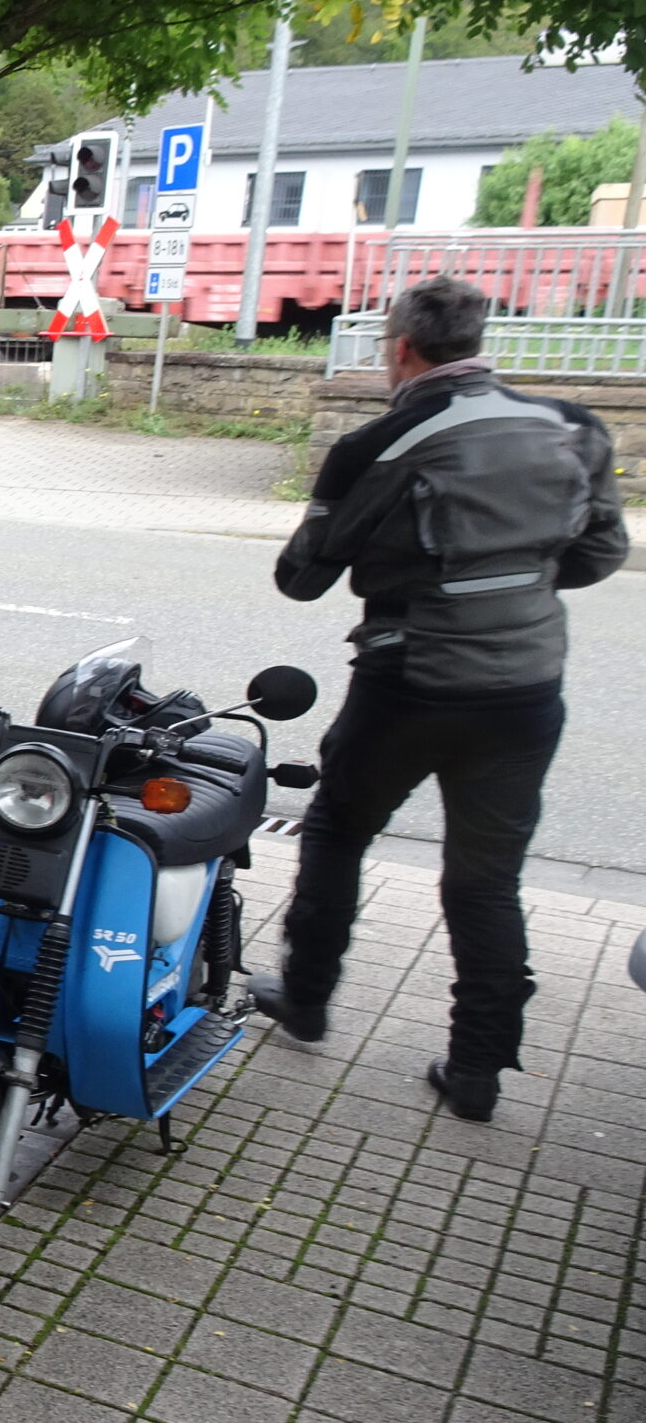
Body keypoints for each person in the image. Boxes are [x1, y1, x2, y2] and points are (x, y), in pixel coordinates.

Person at [254, 275, 628, 1121]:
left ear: (402, 349)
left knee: (338, 831)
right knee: (486, 882)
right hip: (526, 691)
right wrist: (516, 584)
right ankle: (477, 1072)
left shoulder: (378, 444)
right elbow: (601, 553)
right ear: (477, 341)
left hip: (409, 683)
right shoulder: (574, 428)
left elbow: (302, 577)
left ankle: (306, 1000)